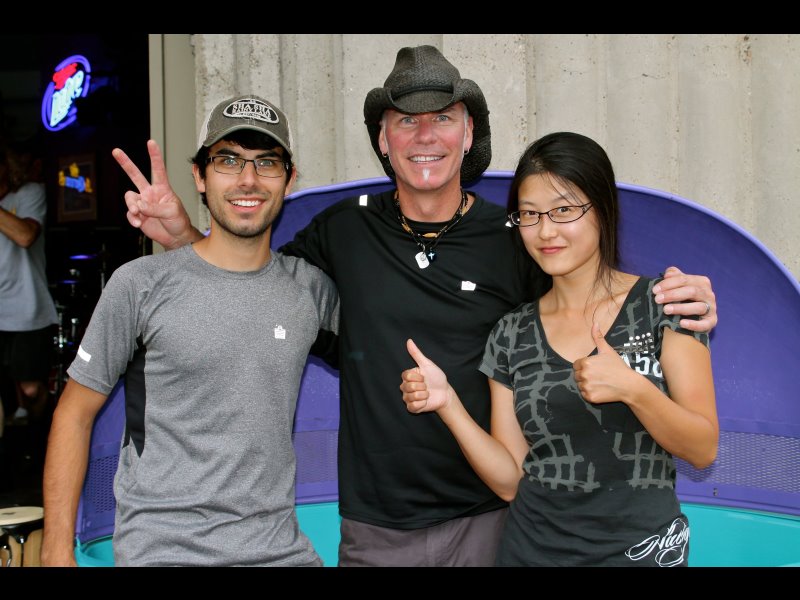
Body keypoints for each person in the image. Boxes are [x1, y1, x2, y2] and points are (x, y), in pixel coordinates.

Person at [113, 46, 718, 567]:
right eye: (406, 120)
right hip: (376, 527)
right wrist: (183, 237)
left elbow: (587, 289)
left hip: (494, 520)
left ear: (468, 134)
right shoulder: (343, 231)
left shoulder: (517, 236)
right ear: (384, 139)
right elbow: (250, 286)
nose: (425, 136)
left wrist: (677, 301)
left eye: (443, 118)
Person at [40, 94, 340, 567]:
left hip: (281, 553)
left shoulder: (310, 291)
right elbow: (73, 415)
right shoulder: (140, 285)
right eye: (228, 161)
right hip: (163, 553)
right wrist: (55, 552)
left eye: (266, 162)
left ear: (289, 179)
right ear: (199, 177)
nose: (248, 179)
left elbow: (385, 358)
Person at [400, 131, 718, 567]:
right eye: (529, 214)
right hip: (530, 553)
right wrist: (448, 403)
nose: (545, 231)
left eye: (564, 210)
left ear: (603, 209)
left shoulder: (664, 303)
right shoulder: (511, 332)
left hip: (640, 554)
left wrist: (633, 388)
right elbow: (511, 481)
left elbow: (703, 448)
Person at [0, 139, 58, 426]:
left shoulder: (29, 194)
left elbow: (25, 236)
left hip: (26, 308)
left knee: (30, 389)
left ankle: (40, 438)